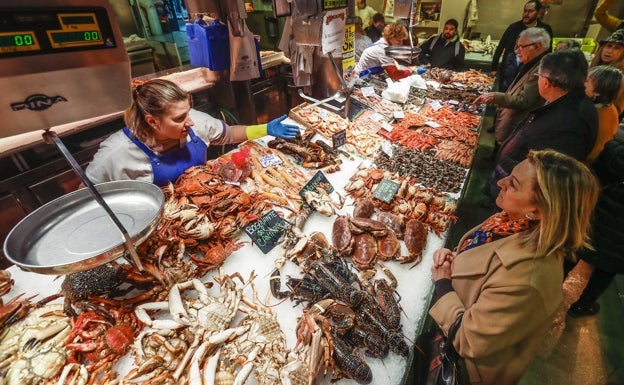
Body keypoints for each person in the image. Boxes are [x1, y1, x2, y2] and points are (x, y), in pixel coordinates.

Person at [431, 149, 599, 385]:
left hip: (466, 368)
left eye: (513, 184)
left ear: (538, 210)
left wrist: (442, 282)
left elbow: (469, 340)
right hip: (448, 324)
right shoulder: (510, 222)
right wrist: (454, 258)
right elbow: (481, 258)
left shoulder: (528, 276)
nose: (500, 182)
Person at [85, 79, 300, 186]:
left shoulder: (194, 121)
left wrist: (265, 128)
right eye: (179, 118)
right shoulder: (116, 154)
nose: (190, 121)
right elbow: (89, 196)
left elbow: (229, 134)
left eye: (188, 112)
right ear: (152, 121)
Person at [484, 49, 598, 200]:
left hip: (522, 198)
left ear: (546, 82)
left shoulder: (568, 123)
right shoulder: (574, 104)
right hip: (514, 187)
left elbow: (550, 179)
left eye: (538, 76)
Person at [568, 138, 624, 317]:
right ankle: (582, 306)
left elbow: (593, 173)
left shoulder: (616, 150)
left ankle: (549, 291)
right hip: (620, 239)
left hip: (597, 215)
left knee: (575, 251)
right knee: (606, 269)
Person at [475, 27, 551, 153]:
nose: (516, 51)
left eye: (521, 46)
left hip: (519, 126)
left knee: (507, 156)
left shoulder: (542, 69)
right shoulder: (531, 62)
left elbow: (524, 100)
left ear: (537, 46)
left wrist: (495, 96)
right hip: (511, 123)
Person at [490, 1, 554, 87]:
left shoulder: (545, 29)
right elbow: (501, 46)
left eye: (530, 11)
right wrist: (494, 68)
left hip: (530, 73)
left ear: (538, 13)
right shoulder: (513, 27)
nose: (526, 14)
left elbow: (548, 52)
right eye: (525, 11)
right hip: (509, 70)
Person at [584, 65, 622, 163]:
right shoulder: (608, 107)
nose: (582, 83)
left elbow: (592, 153)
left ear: (598, 91)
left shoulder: (596, 114)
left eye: (587, 81)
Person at [590, 29, 624, 115]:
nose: (609, 51)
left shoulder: (620, 78)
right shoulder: (593, 68)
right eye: (609, 46)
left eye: (617, 48)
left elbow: (616, 110)